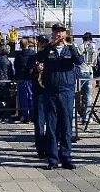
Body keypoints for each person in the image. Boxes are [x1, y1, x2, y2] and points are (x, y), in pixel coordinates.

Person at [35, 23, 83, 169]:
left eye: (61, 32)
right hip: (51, 92)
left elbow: (79, 61)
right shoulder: (49, 49)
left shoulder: (70, 49)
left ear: (65, 33)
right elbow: (37, 58)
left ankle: (66, 157)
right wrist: (50, 45)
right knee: (51, 126)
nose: (58, 34)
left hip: (67, 92)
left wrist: (70, 44)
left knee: (66, 126)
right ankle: (53, 159)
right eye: (56, 32)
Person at [28, 35, 49, 157]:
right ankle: (41, 149)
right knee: (40, 122)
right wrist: (36, 69)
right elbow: (27, 72)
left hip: (49, 92)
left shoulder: (50, 57)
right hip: (39, 92)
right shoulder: (33, 58)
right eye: (41, 43)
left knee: (51, 122)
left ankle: (50, 145)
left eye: (44, 44)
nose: (42, 46)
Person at [76, 33, 98, 125]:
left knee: (77, 93)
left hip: (80, 71)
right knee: (88, 96)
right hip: (89, 72)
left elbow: (77, 60)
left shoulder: (80, 47)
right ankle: (87, 117)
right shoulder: (94, 47)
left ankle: (74, 115)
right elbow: (95, 62)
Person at [13, 38, 35, 123]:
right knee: (31, 97)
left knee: (23, 98)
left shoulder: (18, 55)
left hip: (22, 78)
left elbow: (16, 66)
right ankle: (32, 116)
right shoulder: (33, 53)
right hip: (31, 78)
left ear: (20, 46)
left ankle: (26, 116)